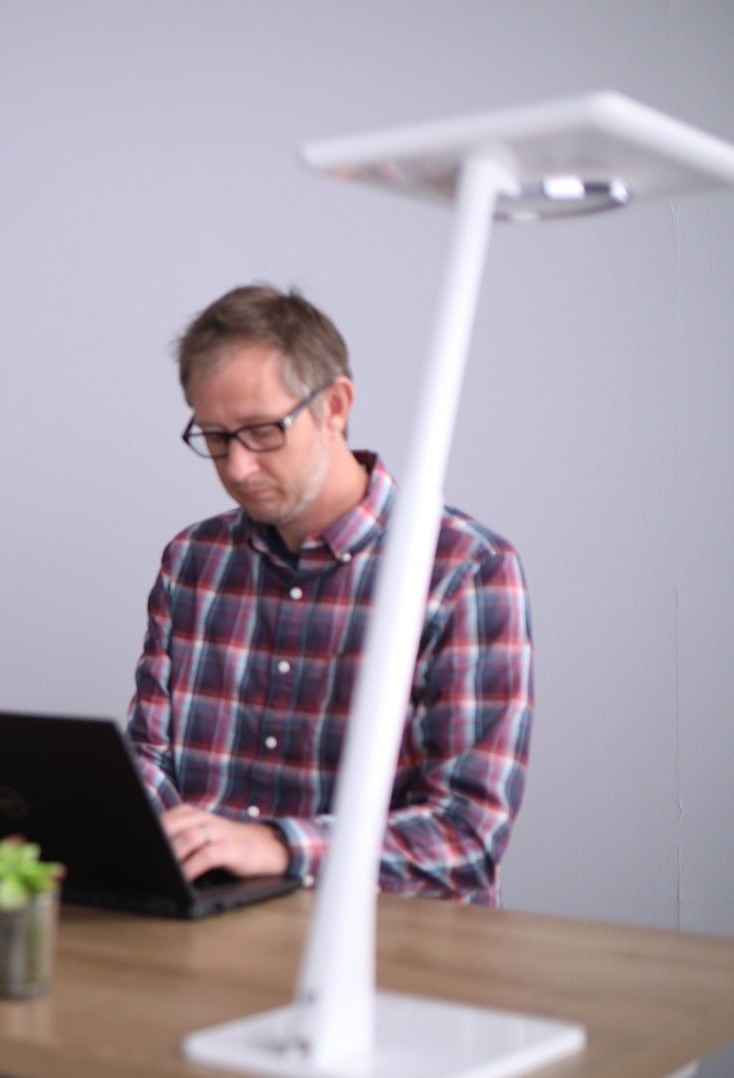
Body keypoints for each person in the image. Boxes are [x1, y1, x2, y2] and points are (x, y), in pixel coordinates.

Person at [128, 284, 533, 906]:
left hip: (388, 950)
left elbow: (466, 837)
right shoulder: (193, 561)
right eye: (213, 436)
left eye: (261, 431)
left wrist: (278, 847)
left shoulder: (464, 570)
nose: (236, 468)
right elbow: (150, 764)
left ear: (335, 406)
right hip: (203, 936)